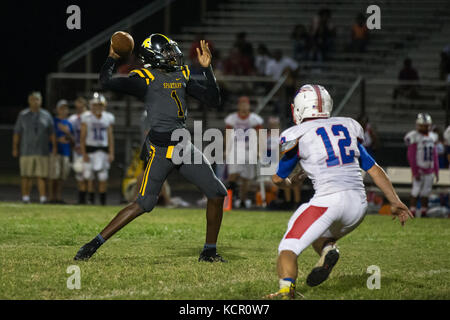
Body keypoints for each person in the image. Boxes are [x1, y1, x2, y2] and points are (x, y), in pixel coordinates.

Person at [74, 34, 227, 263]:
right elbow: (106, 83)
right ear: (154, 57)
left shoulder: (182, 74)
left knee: (217, 193)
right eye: (167, 51)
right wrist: (112, 57)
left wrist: (207, 69)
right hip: (160, 150)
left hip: (183, 146)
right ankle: (93, 244)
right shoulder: (144, 78)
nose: (173, 55)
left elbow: (213, 100)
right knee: (143, 204)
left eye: (172, 50)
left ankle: (209, 251)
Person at [266, 84, 413, 299]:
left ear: (298, 108)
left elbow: (278, 178)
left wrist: (291, 183)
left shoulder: (297, 133)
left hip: (328, 201)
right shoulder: (346, 127)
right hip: (358, 206)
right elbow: (374, 169)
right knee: (320, 233)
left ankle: (285, 291)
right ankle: (328, 251)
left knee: (288, 248)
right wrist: (395, 201)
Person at [12, 92, 56, 204]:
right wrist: (15, 148)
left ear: (40, 101)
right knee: (26, 175)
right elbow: (17, 132)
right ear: (29, 101)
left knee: (42, 175)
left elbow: (52, 133)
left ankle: (42, 198)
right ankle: (25, 198)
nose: (35, 102)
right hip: (26, 150)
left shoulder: (46, 115)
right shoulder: (23, 115)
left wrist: (54, 147)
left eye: (37, 99)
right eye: (33, 99)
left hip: (42, 150)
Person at [225, 96, 264, 208]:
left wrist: (258, 149)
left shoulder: (254, 119)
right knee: (233, 174)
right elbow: (227, 134)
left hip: (249, 148)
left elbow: (260, 135)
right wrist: (227, 149)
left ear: (248, 105)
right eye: (241, 104)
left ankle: (242, 200)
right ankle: (229, 200)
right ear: (238, 106)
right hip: (236, 148)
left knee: (246, 178)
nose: (243, 106)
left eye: (245, 104)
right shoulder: (232, 118)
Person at [80, 93, 115, 206]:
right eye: (95, 105)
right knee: (89, 176)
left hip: (103, 150)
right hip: (90, 149)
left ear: (104, 106)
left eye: (100, 105)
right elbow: (82, 137)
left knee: (103, 177)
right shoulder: (86, 117)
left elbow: (110, 136)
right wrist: (83, 152)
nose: (97, 107)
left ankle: (102, 202)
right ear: (91, 105)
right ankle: (90, 200)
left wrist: (111, 152)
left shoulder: (108, 117)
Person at [404, 113, 439, 218]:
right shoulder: (414, 136)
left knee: (426, 192)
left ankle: (424, 211)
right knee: (415, 190)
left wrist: (436, 171)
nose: (425, 127)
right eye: (423, 125)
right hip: (419, 169)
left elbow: (435, 155)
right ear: (418, 125)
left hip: (429, 169)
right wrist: (415, 171)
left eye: (427, 125)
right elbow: (411, 155)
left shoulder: (433, 136)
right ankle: (412, 211)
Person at [48, 100, 74, 204]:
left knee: (61, 177)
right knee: (54, 175)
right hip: (55, 151)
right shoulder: (53, 121)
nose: (64, 110)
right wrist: (57, 141)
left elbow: (73, 141)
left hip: (65, 152)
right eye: (62, 108)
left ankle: (58, 197)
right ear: (57, 110)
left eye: (66, 108)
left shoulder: (68, 123)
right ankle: (51, 197)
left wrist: (67, 133)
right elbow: (49, 136)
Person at [68, 96, 89, 204]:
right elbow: (70, 135)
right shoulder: (72, 119)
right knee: (79, 173)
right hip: (77, 150)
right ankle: (82, 199)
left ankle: (90, 198)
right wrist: (73, 146)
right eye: (77, 103)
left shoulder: (90, 116)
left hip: (89, 150)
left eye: (81, 103)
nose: (79, 105)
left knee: (89, 174)